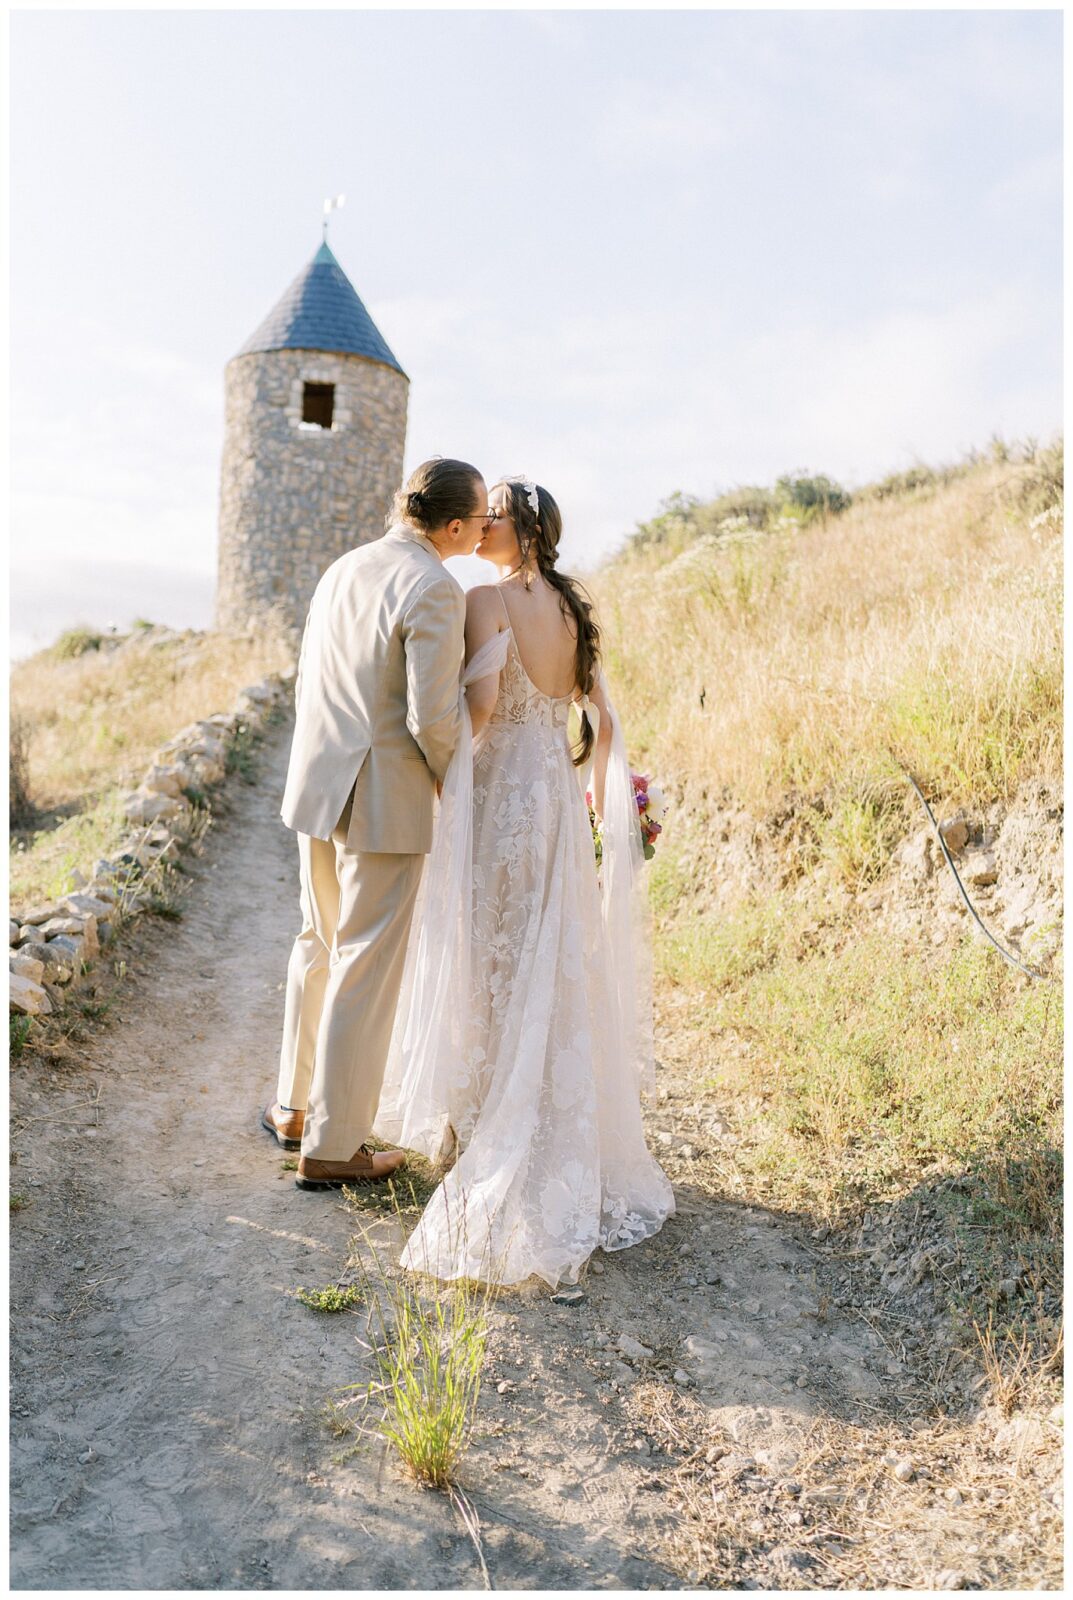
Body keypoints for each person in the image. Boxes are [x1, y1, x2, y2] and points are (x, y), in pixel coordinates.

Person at [375, 476, 674, 1287]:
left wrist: (434, 784)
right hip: (555, 800)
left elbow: (472, 715)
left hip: (501, 792)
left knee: (488, 952)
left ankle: (482, 1122)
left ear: (524, 530)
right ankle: (539, 1106)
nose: (480, 529)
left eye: (494, 518)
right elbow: (601, 723)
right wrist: (606, 799)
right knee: (545, 950)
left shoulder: (485, 600)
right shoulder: (573, 612)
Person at [265, 457, 490, 1190]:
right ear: (453, 527)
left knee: (318, 943)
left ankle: (293, 1109)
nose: (487, 526)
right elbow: (433, 716)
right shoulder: (435, 586)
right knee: (364, 964)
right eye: (481, 516)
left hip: (317, 784)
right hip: (383, 798)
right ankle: (333, 1147)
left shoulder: (344, 566)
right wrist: (458, 775)